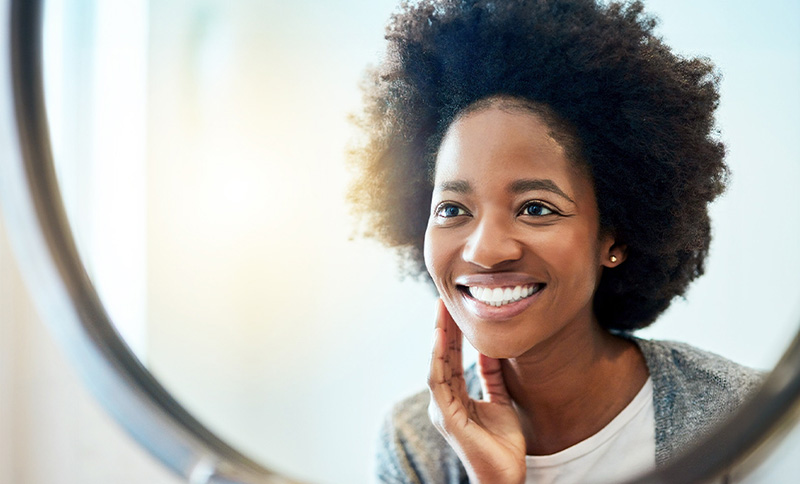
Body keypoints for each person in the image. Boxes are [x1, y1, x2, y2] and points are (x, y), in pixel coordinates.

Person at [347, 1, 763, 483]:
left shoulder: (732, 417)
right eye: (453, 210)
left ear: (616, 235)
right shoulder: (415, 443)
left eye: (536, 208)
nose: (484, 251)